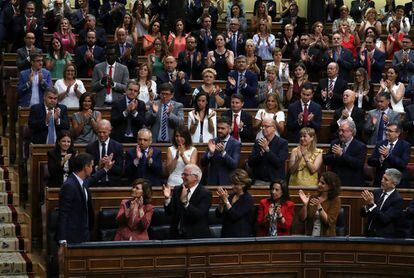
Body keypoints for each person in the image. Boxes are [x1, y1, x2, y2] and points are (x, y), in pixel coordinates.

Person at [57, 153, 114, 250]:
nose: (92, 168)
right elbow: (63, 214)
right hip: (72, 237)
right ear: (85, 167)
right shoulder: (69, 185)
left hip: (83, 232)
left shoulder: (80, 181)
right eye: (91, 166)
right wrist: (62, 240)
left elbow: (92, 179)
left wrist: (106, 169)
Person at [163, 164, 212, 239]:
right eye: (182, 174)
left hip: (196, 237)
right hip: (176, 236)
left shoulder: (205, 193)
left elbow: (198, 215)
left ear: (196, 177)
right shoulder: (177, 190)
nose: (182, 177)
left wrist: (185, 202)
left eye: (185, 175)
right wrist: (167, 199)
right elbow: (169, 212)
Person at [360, 168, 404, 237]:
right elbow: (362, 214)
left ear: (394, 184)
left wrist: (372, 205)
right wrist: (367, 206)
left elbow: (385, 219)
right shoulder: (376, 192)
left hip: (383, 238)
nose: (382, 181)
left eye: (386, 179)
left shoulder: (398, 200)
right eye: (382, 178)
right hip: (368, 234)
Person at [323, 120, 367, 187]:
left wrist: (342, 155)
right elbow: (325, 160)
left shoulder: (360, 146)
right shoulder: (334, 143)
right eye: (339, 130)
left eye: (343, 131)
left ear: (351, 131)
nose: (340, 133)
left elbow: (358, 164)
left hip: (352, 183)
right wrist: (334, 156)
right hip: (335, 182)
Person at [299, 171, 342, 236]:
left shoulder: (335, 200)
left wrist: (319, 206)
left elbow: (329, 221)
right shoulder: (313, 197)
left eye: (322, 183)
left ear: (331, 186)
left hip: (327, 238)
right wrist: (305, 205)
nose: (319, 184)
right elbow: (302, 218)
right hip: (310, 236)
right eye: (319, 181)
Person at [368, 123, 410, 188]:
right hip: (380, 181)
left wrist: (388, 155)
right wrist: (380, 160)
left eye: (390, 131)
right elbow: (370, 161)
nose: (387, 133)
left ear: (397, 133)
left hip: (397, 182)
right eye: (386, 130)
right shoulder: (380, 143)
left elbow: (403, 164)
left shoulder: (405, 145)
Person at [201, 117, 241, 185]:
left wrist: (223, 153)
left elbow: (234, 165)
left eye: (223, 128)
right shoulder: (213, 141)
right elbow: (203, 163)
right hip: (212, 181)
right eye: (218, 128)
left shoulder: (236, 144)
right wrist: (210, 153)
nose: (219, 130)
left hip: (227, 182)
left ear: (229, 129)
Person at [248, 119, 289, 185]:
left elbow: (279, 163)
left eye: (266, 126)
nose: (263, 129)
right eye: (262, 126)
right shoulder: (258, 142)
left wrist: (267, 150)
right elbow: (250, 162)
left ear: (274, 128)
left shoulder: (282, 143)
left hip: (276, 181)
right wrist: (260, 154)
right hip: (259, 180)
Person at [215, 169, 254, 237]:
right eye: (232, 183)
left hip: (240, 236)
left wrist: (226, 201)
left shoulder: (247, 199)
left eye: (236, 184)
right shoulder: (230, 196)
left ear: (243, 184)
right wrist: (221, 202)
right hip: (226, 233)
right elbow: (218, 215)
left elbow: (234, 215)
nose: (232, 186)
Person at [85, 119, 124, 187]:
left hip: (112, 184)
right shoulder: (90, 148)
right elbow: (86, 170)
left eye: (104, 132)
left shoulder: (118, 147)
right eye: (99, 132)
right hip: (95, 184)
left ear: (109, 131)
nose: (101, 135)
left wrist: (109, 165)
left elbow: (121, 171)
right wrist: (98, 167)